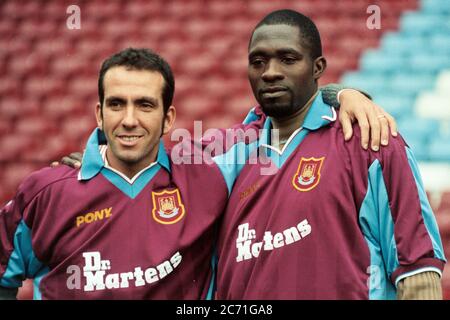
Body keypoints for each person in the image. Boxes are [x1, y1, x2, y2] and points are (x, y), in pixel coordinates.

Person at [0, 47, 393, 300]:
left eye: (146, 105)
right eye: (116, 104)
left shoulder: (207, 173)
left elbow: (281, 112)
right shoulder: (45, 192)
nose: (129, 120)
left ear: (169, 118)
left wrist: (342, 94)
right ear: (99, 114)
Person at [214, 9, 446, 300]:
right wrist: (339, 93)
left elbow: (418, 272)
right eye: (258, 62)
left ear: (317, 67)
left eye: (288, 59)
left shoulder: (372, 142)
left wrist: (339, 95)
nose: (270, 72)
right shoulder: (228, 157)